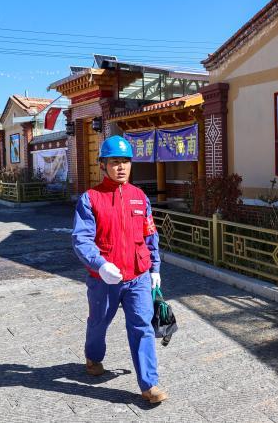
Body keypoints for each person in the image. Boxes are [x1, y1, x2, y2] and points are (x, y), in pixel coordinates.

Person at [71, 135, 167, 404]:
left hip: (138, 276)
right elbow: (81, 239)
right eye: (115, 162)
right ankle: (93, 357)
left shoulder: (140, 197)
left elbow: (150, 234)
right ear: (103, 165)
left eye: (126, 161)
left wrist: (155, 268)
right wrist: (100, 265)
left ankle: (149, 384)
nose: (121, 167)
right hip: (104, 279)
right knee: (99, 322)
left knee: (142, 326)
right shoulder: (90, 199)